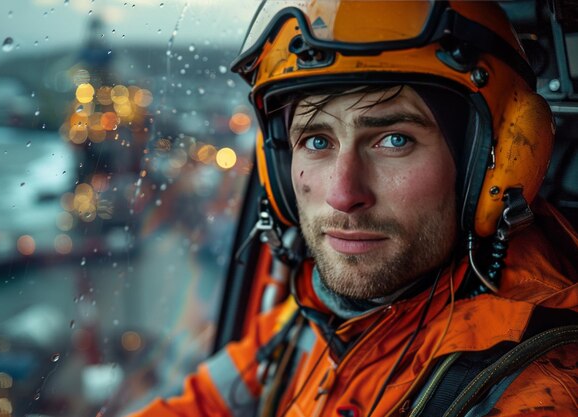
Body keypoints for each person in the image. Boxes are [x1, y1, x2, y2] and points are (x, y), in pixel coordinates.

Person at [128, 1, 578, 416]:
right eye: (317, 141)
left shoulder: (540, 387)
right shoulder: (314, 317)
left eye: (394, 140)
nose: (343, 195)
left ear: (494, 167)